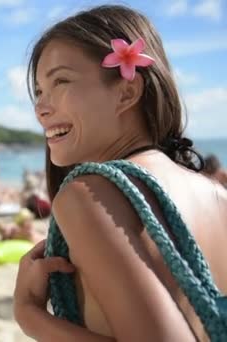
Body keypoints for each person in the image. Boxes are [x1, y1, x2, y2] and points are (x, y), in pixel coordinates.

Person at [13, 5, 227, 342]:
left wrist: (29, 314)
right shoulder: (218, 197)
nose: (41, 108)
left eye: (61, 81)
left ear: (127, 91)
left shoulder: (91, 194)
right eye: (39, 91)